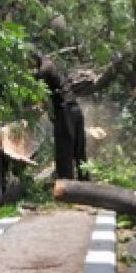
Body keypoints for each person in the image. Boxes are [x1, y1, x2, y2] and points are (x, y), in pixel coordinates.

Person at [34, 52, 88, 180]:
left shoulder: (45, 69)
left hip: (65, 111)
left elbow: (36, 91)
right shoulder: (55, 66)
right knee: (79, 151)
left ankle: (66, 188)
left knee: (64, 152)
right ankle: (85, 183)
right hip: (75, 109)